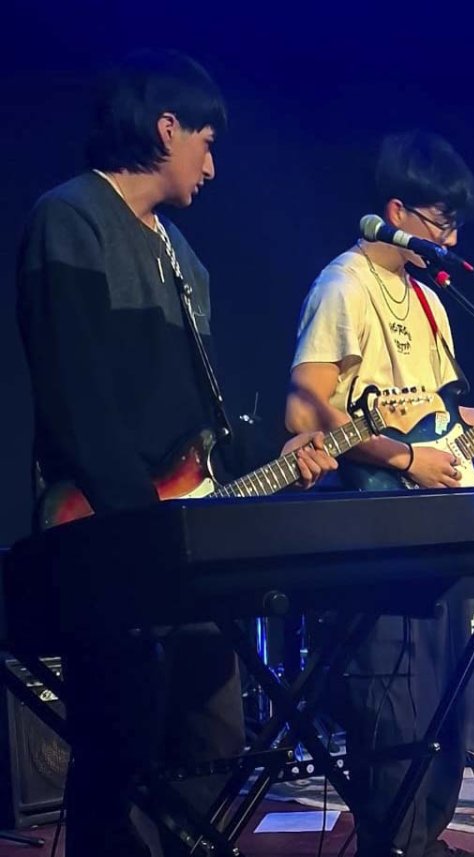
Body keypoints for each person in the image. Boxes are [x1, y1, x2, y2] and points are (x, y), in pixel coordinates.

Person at [15, 50, 337, 855]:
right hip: (114, 535)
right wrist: (145, 529)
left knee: (210, 738)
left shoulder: (184, 258)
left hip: (183, 547)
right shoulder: (71, 218)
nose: (212, 165)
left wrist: (280, 452)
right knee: (119, 750)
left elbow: (201, 423)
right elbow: (76, 397)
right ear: (166, 128)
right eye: (206, 142)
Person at [285, 130, 474, 857]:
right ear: (396, 211)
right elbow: (307, 410)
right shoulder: (344, 285)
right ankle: (394, 844)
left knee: (446, 706)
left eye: (455, 225)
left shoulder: (430, 303)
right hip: (372, 527)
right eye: (441, 222)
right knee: (395, 708)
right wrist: (404, 458)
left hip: (439, 528)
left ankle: (428, 840)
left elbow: (442, 420)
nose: (451, 239)